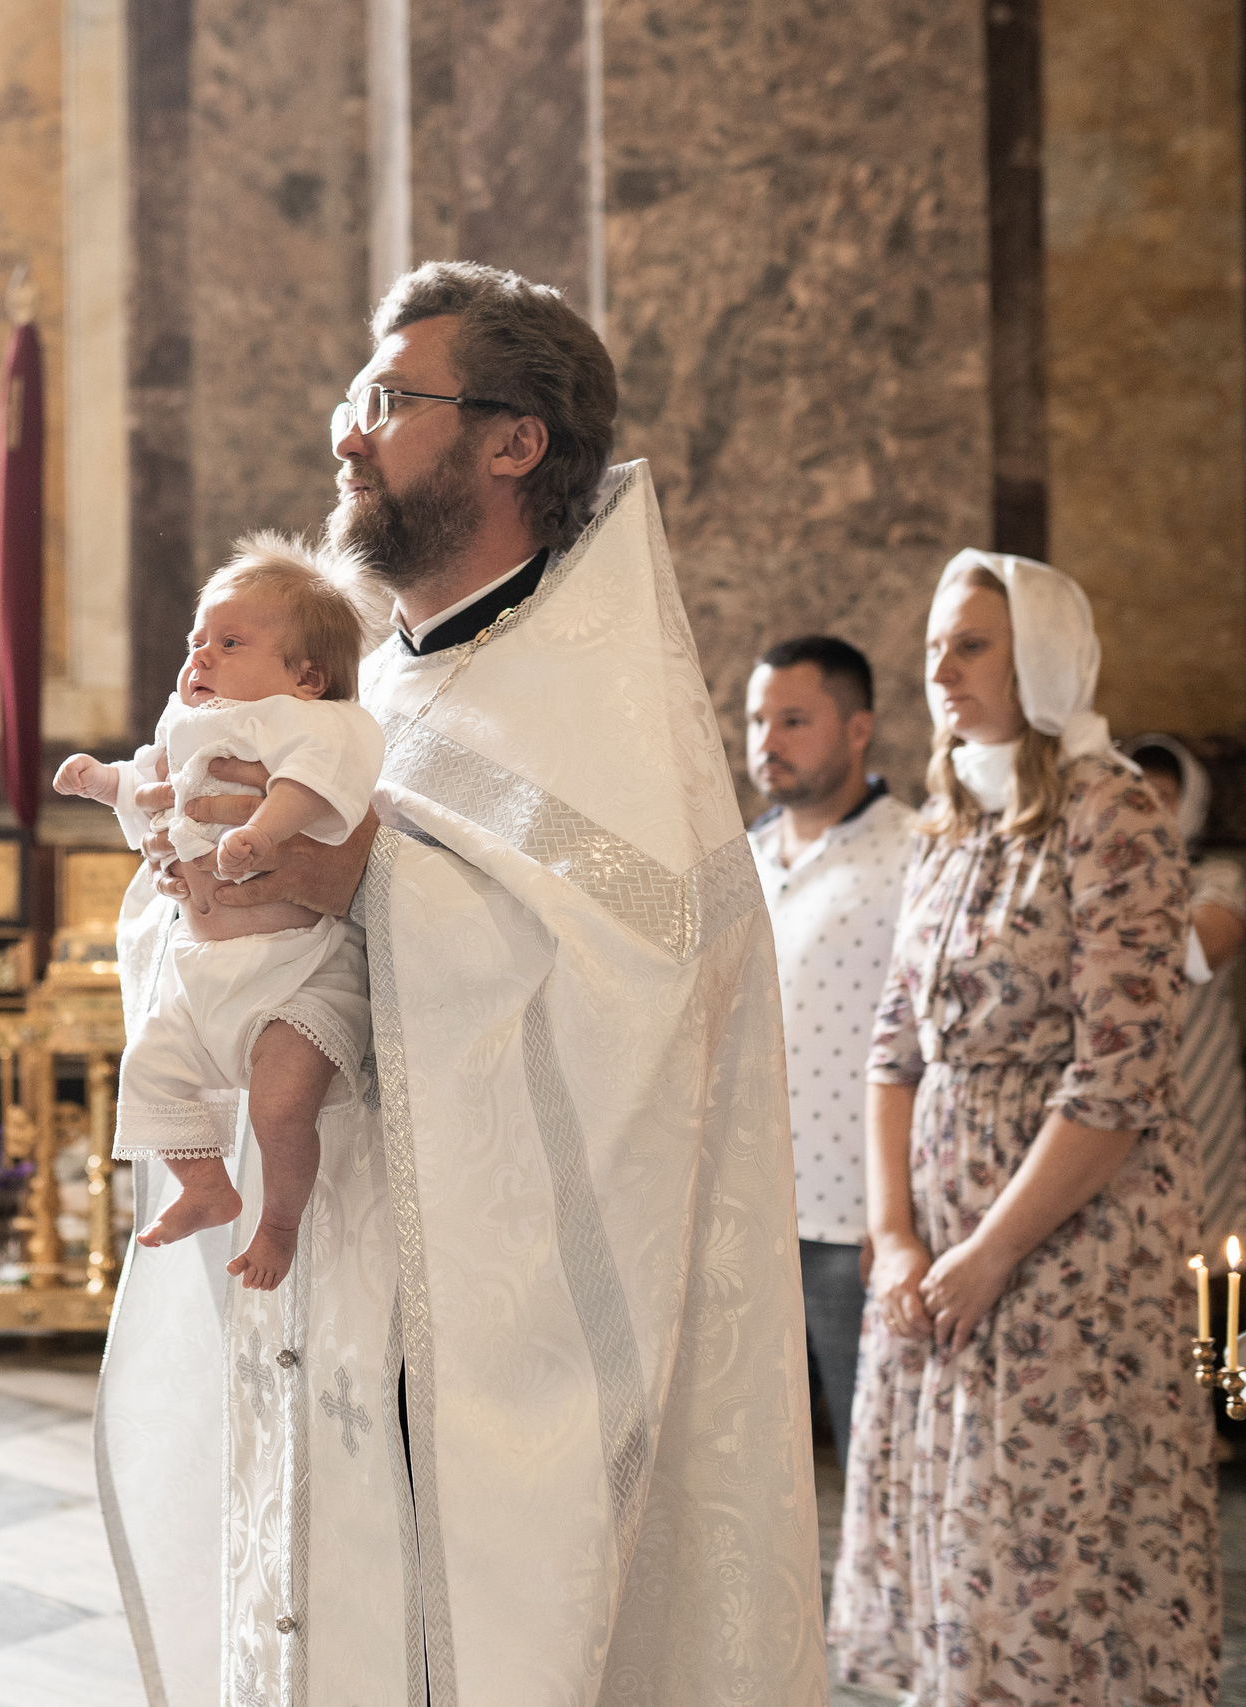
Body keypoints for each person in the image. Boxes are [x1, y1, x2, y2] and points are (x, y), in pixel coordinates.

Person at [94, 261, 828, 1703]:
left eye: (387, 399)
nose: (346, 436)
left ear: (513, 441)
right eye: (352, 401)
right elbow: (230, 894)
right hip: (319, 1294)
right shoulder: (376, 679)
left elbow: (628, 979)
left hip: (487, 1358)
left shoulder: (605, 706)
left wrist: (352, 871)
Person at [831, 551, 1219, 1705]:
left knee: (1043, 1533)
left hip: (1069, 1245)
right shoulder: (945, 823)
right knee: (952, 1533)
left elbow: (1118, 1074)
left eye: (970, 645)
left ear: (1039, 659)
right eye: (934, 646)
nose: (937, 670)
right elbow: (893, 1045)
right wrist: (896, 1234)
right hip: (942, 1242)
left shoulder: (1113, 813)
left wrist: (990, 1253)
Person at [53, 538, 382, 1289]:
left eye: (229, 643)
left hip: (294, 976)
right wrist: (109, 783)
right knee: (146, 1073)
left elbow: (309, 786)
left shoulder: (313, 722)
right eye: (196, 641)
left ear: (307, 676)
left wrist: (262, 831)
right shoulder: (187, 722)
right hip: (203, 974)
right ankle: (205, 1185)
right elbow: (152, 785)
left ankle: (280, 1221)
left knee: (279, 1102)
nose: (199, 657)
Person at [744, 634, 916, 1465]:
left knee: (873, 1461)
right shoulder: (737, 859)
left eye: (793, 720)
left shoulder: (917, 852)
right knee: (751, 1472)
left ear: (858, 729)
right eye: (756, 720)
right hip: (749, 1212)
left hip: (860, 1220)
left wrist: (907, 1213)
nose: (765, 742)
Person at [1127, 732, 1246, 1257]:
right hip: (1121, 1097)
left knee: (1201, 1258)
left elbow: (1200, 950)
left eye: (1166, 796)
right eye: (1138, 795)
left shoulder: (1218, 877)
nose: (1152, 810)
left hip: (1197, 1092)